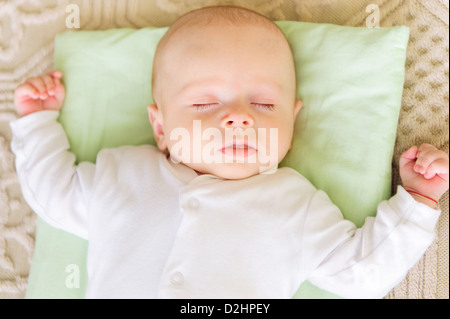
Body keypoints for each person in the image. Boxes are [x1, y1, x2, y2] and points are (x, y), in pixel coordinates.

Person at [11, 6, 449, 299]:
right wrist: (36, 123)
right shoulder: (121, 173)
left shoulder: (293, 204)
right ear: (161, 127)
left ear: (291, 126)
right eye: (204, 104)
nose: (238, 118)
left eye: (262, 105)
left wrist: (416, 202)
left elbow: (359, 273)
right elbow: (53, 193)